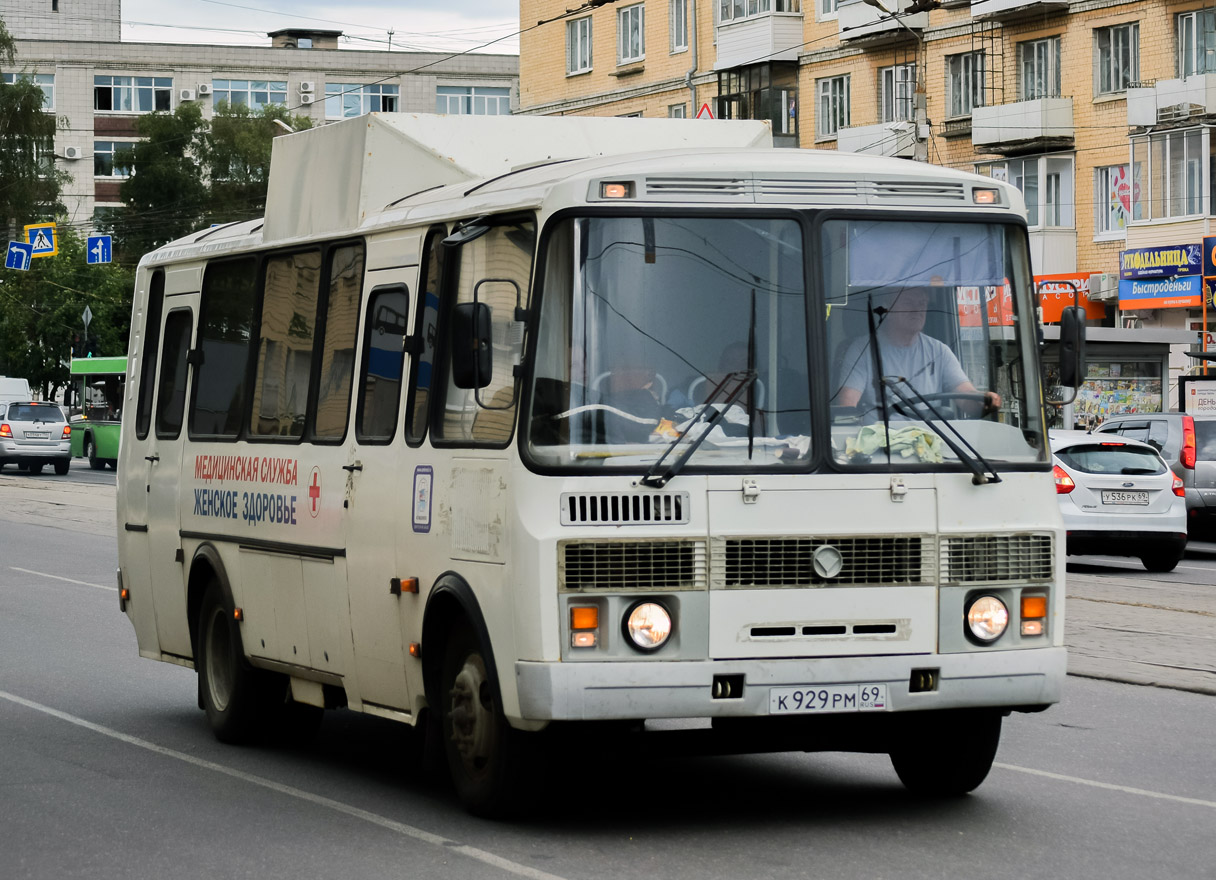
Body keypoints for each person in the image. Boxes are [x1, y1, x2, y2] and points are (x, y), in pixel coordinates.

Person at [834, 286, 1001, 418]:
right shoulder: (862, 350)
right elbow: (847, 405)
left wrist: (984, 400)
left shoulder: (939, 351)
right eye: (908, 303)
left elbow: (966, 397)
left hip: (929, 444)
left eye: (922, 303)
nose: (917, 309)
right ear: (887, 308)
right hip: (881, 446)